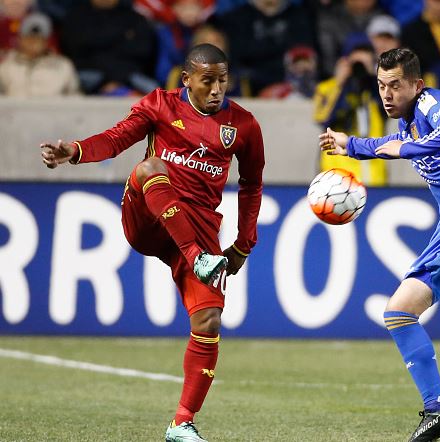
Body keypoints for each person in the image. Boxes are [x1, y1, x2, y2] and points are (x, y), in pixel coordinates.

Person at [40, 43, 265, 442]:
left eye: (222, 81)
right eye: (207, 81)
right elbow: (115, 139)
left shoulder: (243, 126)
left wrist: (244, 243)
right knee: (150, 167)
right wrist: (74, 151)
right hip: (146, 215)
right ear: (187, 80)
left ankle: (182, 423)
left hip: (197, 226)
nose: (216, 90)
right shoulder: (160, 105)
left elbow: (251, 186)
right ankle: (197, 258)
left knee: (209, 321)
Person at [319, 47, 440, 441]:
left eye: (395, 85)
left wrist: (407, 149)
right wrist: (350, 144)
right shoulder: (410, 124)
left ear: (417, 85)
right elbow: (389, 144)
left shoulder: (431, 102)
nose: (387, 94)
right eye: (381, 86)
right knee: (398, 313)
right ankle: (438, 408)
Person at [314, 35, 388, 185]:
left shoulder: (377, 89)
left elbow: (388, 111)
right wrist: (340, 84)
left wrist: (374, 76)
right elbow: (323, 119)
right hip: (336, 177)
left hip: (373, 176)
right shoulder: (326, 88)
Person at [0, 12, 79, 97]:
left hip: (52, 109)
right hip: (16, 110)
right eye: (29, 38)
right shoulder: (6, 66)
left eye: (39, 39)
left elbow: (75, 97)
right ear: (20, 39)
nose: (34, 43)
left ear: (46, 41)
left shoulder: (63, 66)